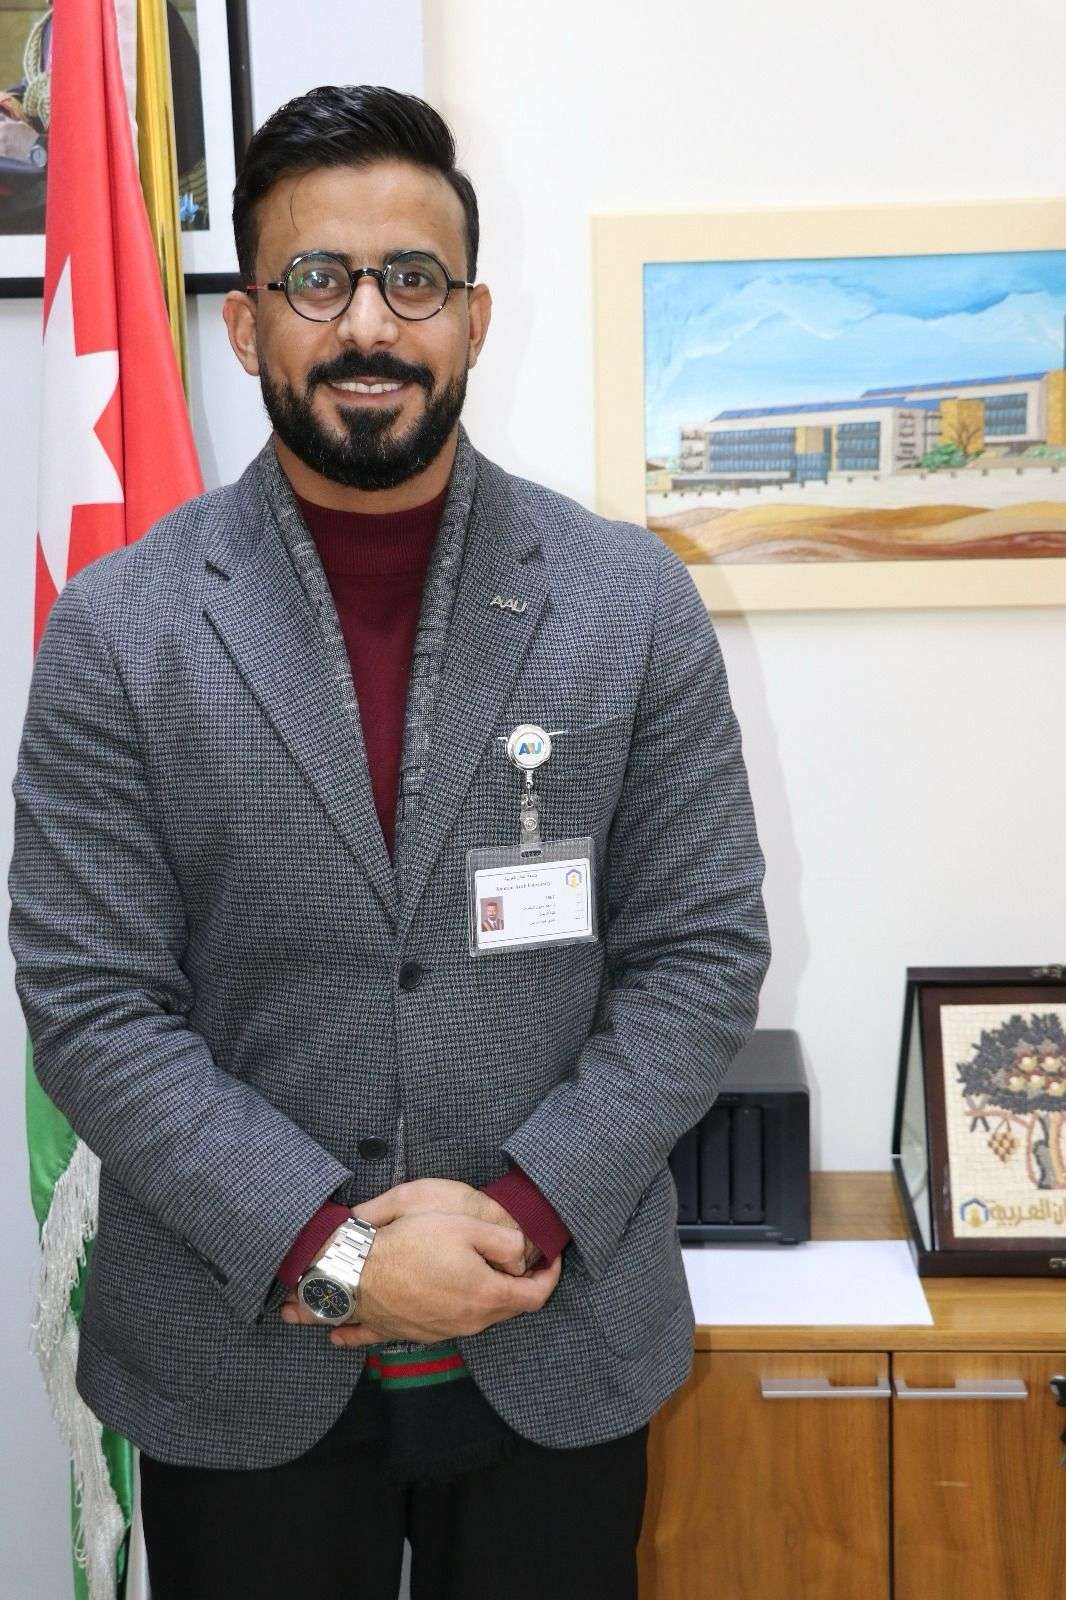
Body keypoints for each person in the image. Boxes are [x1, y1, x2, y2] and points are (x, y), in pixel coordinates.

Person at [8, 85, 770, 1599]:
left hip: (558, 1333)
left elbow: (700, 957)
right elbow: (94, 1005)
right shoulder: (116, 630)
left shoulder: (629, 604)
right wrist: (336, 1250)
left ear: (474, 319)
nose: (369, 323)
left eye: (412, 280)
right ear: (246, 327)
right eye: (318, 280)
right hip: (237, 1360)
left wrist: (524, 1215)